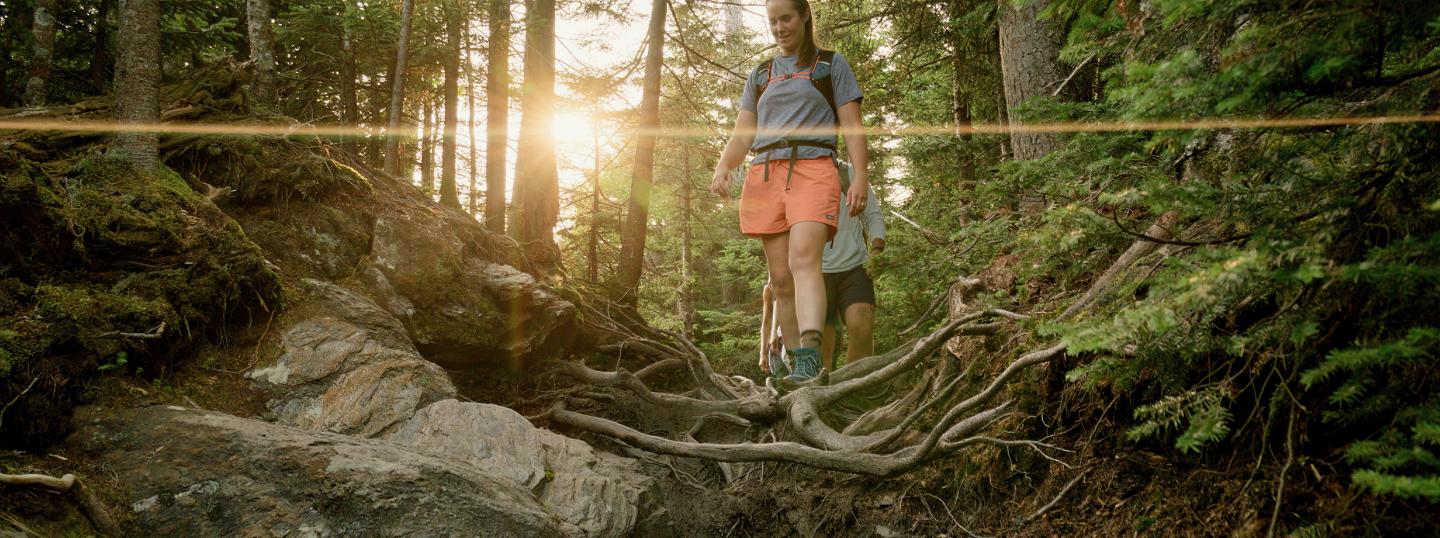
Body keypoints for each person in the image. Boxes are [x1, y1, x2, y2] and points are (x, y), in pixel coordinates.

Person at [712, 0, 868, 382]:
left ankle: (812, 356)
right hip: (765, 174)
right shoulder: (761, 74)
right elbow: (744, 131)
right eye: (772, 21)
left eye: (786, 19)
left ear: (804, 17)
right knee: (780, 279)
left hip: (814, 169)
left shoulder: (830, 66)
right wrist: (725, 164)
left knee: (803, 261)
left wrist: (861, 174)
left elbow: (852, 126)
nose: (779, 28)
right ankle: (799, 365)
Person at [820, 184, 885, 372]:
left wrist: (877, 248)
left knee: (862, 327)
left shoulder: (849, 175)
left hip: (855, 267)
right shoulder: (801, 173)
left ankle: (854, 390)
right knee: (822, 343)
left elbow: (873, 214)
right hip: (815, 270)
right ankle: (820, 394)